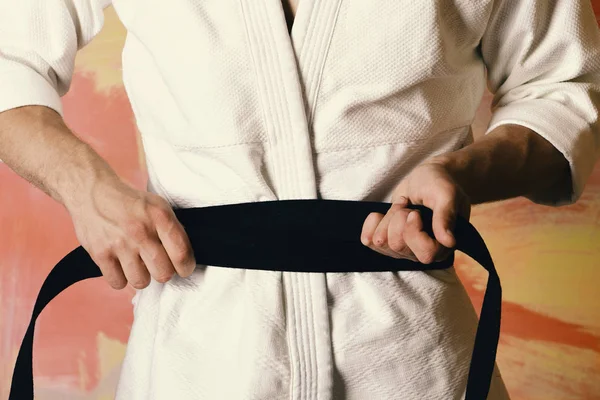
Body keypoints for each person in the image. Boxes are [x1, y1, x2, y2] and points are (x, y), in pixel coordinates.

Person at [1, 0, 599, 398]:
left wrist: (463, 173)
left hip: (413, 359)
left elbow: (565, 87)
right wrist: (86, 187)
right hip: (195, 358)